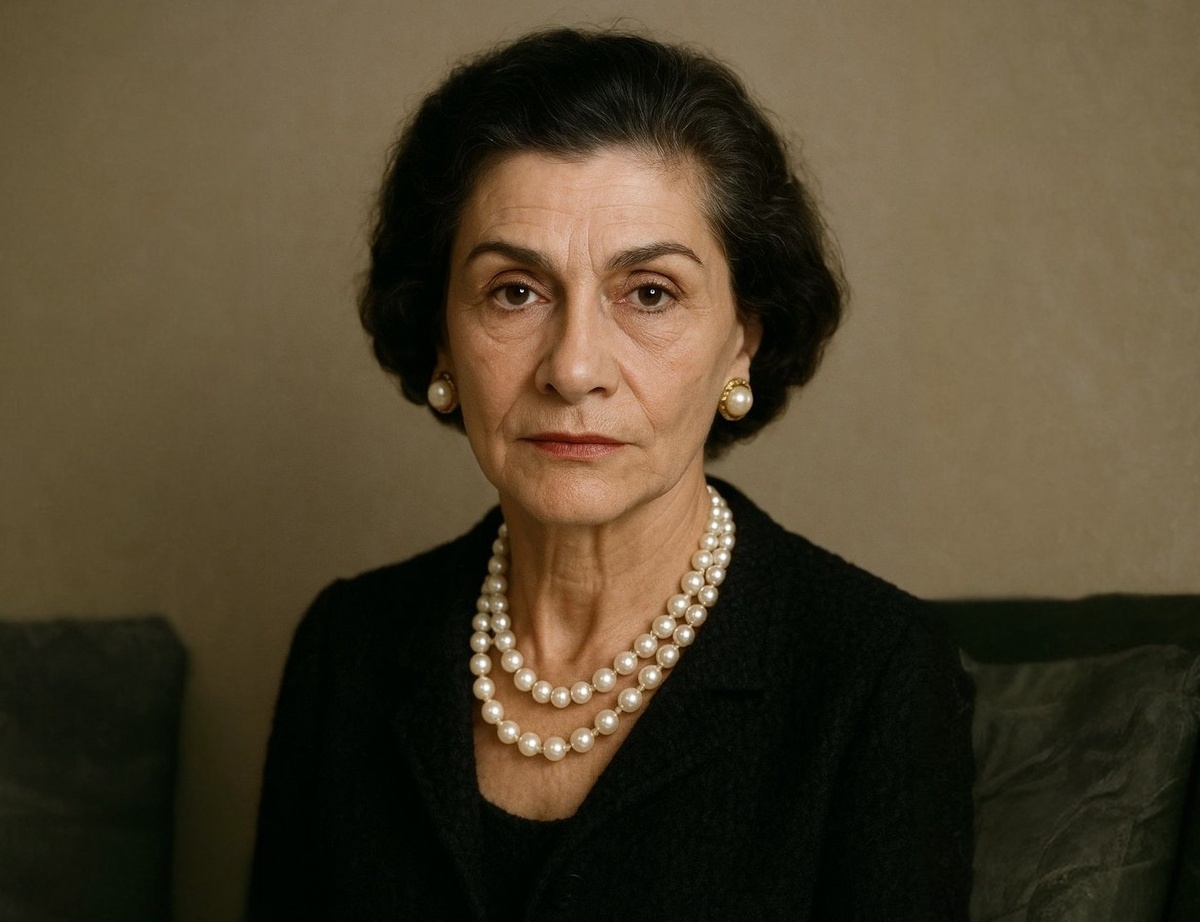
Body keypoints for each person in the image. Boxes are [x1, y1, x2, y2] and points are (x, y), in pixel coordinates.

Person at [248, 27, 974, 921]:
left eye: (650, 293)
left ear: (742, 341)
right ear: (440, 336)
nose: (574, 367)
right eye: (515, 291)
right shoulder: (347, 647)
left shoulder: (878, 675)